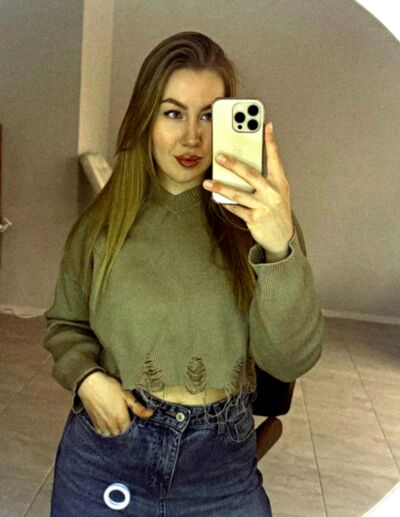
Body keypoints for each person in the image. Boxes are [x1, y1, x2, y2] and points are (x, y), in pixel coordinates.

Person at [44, 31, 324, 516]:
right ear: (144, 118)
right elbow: (65, 325)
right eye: (173, 113)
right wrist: (87, 379)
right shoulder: (102, 223)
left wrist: (279, 246)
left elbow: (290, 361)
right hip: (107, 457)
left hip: (221, 470)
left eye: (210, 116)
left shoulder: (260, 223)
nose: (192, 137)